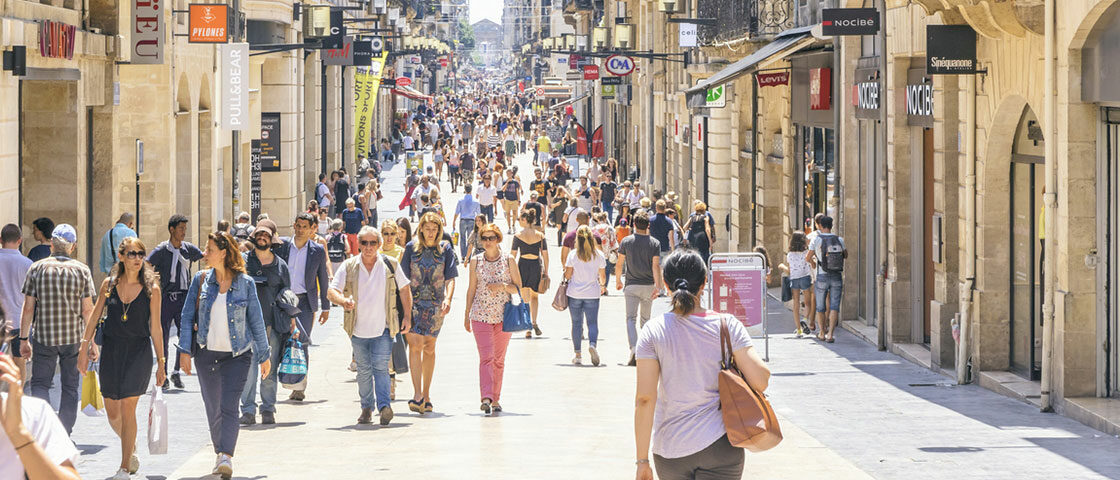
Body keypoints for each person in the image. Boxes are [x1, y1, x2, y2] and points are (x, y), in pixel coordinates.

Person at [633, 249, 771, 480]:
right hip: (720, 444)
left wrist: (642, 460)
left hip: (671, 450)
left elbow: (644, 399)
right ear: (705, 281)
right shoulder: (728, 326)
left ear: (667, 285)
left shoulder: (653, 331)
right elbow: (761, 380)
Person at [178, 231, 271, 479]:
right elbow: (187, 318)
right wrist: (184, 351)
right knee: (213, 408)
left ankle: (226, 455)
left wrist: (264, 355)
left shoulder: (245, 283)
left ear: (224, 252)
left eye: (209, 249)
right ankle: (220, 451)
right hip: (206, 355)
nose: (205, 254)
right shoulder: (200, 281)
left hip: (237, 356)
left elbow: (256, 321)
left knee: (229, 406)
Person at [77, 237, 164, 479]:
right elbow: (93, 318)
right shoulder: (109, 284)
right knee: (112, 411)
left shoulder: (152, 289)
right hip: (112, 352)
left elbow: (156, 328)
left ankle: (124, 467)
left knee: (128, 407)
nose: (137, 258)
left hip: (139, 352)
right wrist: (84, 350)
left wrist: (162, 362)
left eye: (141, 254)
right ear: (121, 257)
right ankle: (131, 445)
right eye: (132, 254)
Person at [329, 227, 413, 425]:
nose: (368, 247)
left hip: (383, 328)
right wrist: (343, 301)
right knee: (364, 370)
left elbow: (405, 289)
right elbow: (332, 291)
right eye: (364, 243)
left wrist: (407, 316)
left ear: (379, 244)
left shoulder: (389, 265)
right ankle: (366, 407)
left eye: (372, 243)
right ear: (358, 245)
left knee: (381, 367)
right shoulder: (349, 266)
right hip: (358, 330)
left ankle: (384, 406)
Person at [19, 224, 93, 435]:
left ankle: (46, 429)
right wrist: (91, 342)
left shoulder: (37, 268)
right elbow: (88, 311)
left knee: (41, 384)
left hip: (44, 336)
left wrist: (24, 339)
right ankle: (64, 432)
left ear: (52, 244)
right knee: (70, 387)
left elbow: (28, 308)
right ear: (73, 247)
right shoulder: (82, 270)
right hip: (73, 338)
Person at [400, 212, 459, 414]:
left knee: (430, 347)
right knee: (415, 346)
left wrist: (449, 298)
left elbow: (450, 278)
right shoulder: (411, 248)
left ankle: (426, 394)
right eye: (427, 228)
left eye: (435, 229)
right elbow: (403, 279)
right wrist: (405, 307)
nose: (431, 232)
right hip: (413, 303)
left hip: (435, 304)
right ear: (421, 229)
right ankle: (417, 395)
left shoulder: (445, 249)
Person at [239, 220, 294, 426]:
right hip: (246, 325)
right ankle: (247, 410)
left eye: (266, 235)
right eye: (259, 234)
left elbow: (287, 295)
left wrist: (293, 323)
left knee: (268, 369)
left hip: (272, 325)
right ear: (254, 237)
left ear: (272, 239)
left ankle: (268, 408)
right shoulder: (243, 262)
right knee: (249, 370)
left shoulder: (280, 265)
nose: (262, 238)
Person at [0, 340, 82, 480]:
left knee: (51, 385)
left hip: (51, 339)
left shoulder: (33, 415)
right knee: (65, 386)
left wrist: (20, 434)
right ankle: (65, 431)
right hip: (61, 340)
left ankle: (64, 432)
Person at [463, 223, 521, 416]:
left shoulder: (508, 260)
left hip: (504, 316)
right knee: (486, 357)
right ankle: (486, 397)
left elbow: (518, 288)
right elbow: (471, 288)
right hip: (480, 315)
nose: (487, 242)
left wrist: (503, 286)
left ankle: (496, 398)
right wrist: (466, 313)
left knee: (498, 359)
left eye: (491, 238)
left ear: (498, 239)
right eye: (484, 238)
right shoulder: (476, 261)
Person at [273, 213, 331, 401]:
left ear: (312, 229)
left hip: (305, 302)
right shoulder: (282, 247)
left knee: (302, 341)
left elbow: (322, 277)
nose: (300, 230)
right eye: (297, 225)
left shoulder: (317, 251)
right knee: (280, 340)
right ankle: (274, 381)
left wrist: (326, 307)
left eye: (304, 227)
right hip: (282, 300)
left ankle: (299, 386)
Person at [145, 215, 205, 391]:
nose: (184, 232)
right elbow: (147, 265)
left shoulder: (188, 250)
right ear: (172, 229)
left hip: (184, 299)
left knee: (184, 335)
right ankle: (162, 372)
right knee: (162, 336)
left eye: (185, 229)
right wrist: (152, 283)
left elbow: (205, 256)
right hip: (165, 299)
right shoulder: (162, 250)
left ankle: (176, 372)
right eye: (181, 228)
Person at [616, 211, 664, 366]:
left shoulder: (626, 241)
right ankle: (644, 350)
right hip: (648, 285)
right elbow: (655, 266)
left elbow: (619, 263)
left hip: (631, 284)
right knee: (645, 320)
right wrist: (658, 286)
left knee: (630, 318)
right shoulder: (654, 243)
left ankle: (633, 347)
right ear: (648, 225)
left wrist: (618, 280)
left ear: (634, 225)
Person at [564, 226, 606, 366]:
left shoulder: (573, 255)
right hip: (592, 293)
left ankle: (578, 354)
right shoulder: (598, 255)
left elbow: (568, 275)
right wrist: (602, 285)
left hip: (574, 293)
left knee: (576, 324)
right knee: (592, 322)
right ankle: (593, 344)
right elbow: (603, 277)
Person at [806, 215, 846, 343]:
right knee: (834, 306)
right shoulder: (839, 239)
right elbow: (845, 255)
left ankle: (822, 332)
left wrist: (813, 263)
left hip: (822, 275)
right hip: (836, 275)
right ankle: (831, 334)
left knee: (820, 306)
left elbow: (808, 257)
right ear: (831, 226)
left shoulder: (816, 240)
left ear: (820, 226)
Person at [0, 224, 32, 374]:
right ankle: (18, 394)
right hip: (20, 320)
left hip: (2, 321)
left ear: (1, 240)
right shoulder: (28, 264)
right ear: (20, 240)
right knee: (20, 362)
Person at [511, 211, 548, 339]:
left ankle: (528, 327)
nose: (519, 220)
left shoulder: (518, 235)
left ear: (526, 219)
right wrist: (546, 271)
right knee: (535, 297)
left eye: (521, 218)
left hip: (522, 265)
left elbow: (513, 255)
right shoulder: (540, 235)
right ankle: (534, 322)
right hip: (535, 265)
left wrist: (510, 271)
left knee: (525, 297)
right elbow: (545, 255)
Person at [785, 231, 814, 338]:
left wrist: (782, 267)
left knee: (796, 304)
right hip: (805, 277)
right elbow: (812, 264)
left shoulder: (789, 254)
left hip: (794, 279)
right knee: (808, 302)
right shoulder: (806, 252)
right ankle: (805, 319)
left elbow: (789, 270)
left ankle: (798, 330)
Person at [591, 212, 619, 294]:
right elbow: (613, 241)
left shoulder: (594, 229)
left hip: (596, 252)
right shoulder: (610, 228)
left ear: (598, 219)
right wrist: (616, 252)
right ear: (605, 219)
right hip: (606, 253)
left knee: (597, 271)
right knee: (606, 271)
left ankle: (597, 287)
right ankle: (604, 288)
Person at [453, 184, 481, 261]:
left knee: (462, 238)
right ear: (471, 190)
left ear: (465, 190)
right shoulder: (476, 201)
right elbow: (479, 213)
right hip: (472, 221)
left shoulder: (460, 200)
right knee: (470, 239)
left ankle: (463, 255)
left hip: (463, 220)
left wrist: (454, 221)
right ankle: (468, 257)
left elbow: (457, 212)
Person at [500, 170, 522, 234]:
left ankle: (513, 225)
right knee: (508, 214)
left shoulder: (515, 182)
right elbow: (503, 190)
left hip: (514, 199)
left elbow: (517, 192)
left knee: (515, 213)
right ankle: (509, 227)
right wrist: (507, 183)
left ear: (512, 174)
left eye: (510, 173)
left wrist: (519, 200)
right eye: (507, 173)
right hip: (507, 199)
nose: (509, 174)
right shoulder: (504, 181)